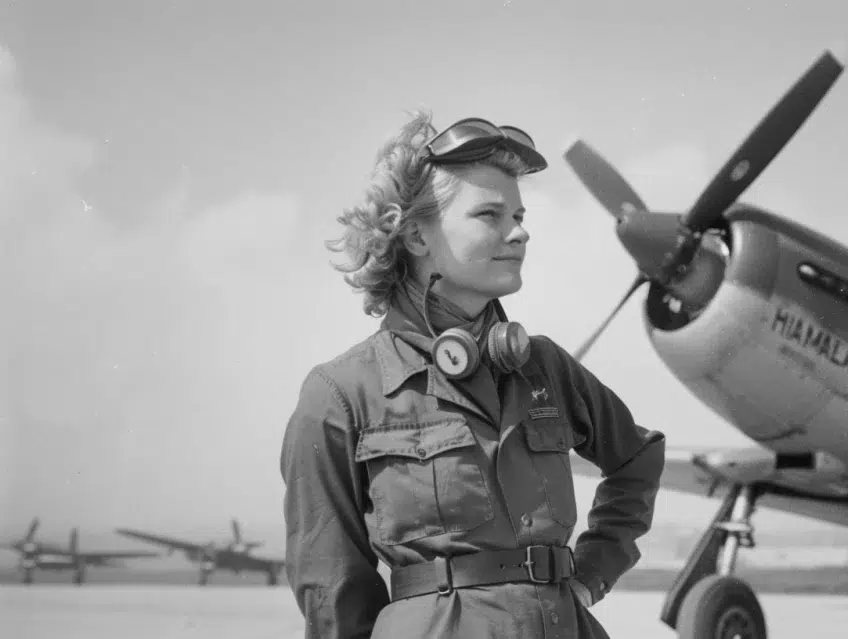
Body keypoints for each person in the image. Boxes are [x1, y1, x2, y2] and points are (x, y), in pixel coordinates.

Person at [280, 110, 667, 639]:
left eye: (520, 214)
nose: (522, 232)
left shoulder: (546, 368)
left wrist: (592, 574)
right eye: (491, 215)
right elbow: (331, 590)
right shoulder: (341, 395)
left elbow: (638, 457)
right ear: (416, 236)